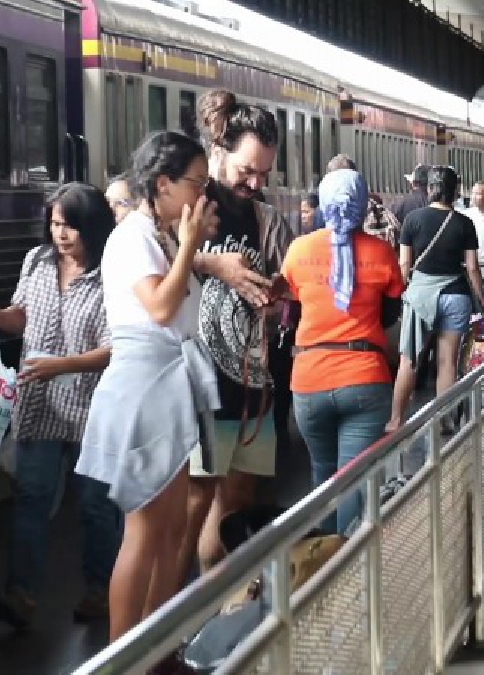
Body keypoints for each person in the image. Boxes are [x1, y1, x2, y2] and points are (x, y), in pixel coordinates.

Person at [75, 131, 219, 645]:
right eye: (196, 184)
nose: (203, 197)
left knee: (171, 529)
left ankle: (156, 644)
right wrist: (193, 248)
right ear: (163, 184)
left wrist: (190, 249)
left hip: (164, 387)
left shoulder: (158, 236)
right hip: (142, 386)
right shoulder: (132, 236)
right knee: (144, 530)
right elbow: (160, 306)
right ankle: (123, 652)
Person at [0, 183, 122, 629]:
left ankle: (101, 590)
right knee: (30, 497)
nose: (61, 234)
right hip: (37, 404)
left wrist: (63, 365)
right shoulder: (36, 262)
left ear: (92, 227)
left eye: (71, 225)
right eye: (56, 223)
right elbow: (23, 314)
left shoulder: (111, 273)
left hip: (92, 407)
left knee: (96, 505)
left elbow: (117, 347)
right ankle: (21, 594)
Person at [181, 89, 295, 578]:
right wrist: (213, 264)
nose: (256, 182)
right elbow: (155, 260)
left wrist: (277, 299)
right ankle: (185, 612)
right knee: (199, 498)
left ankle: (222, 607)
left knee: (237, 500)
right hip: (198, 381)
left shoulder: (260, 215)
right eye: (248, 170)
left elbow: (281, 282)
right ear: (219, 150)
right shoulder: (190, 203)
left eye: (265, 173)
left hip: (249, 378)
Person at [282, 169, 404, 533]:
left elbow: (292, 309)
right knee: (353, 477)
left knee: (322, 473)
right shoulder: (381, 251)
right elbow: (390, 312)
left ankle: (322, 561)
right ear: (363, 203)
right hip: (365, 376)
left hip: (309, 377)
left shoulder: (299, 250)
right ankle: (350, 564)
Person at [387, 166, 484, 432]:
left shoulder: (412, 220)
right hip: (455, 295)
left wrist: (405, 294)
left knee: (410, 359)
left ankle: (396, 420)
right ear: (456, 191)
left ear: (430, 189)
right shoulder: (464, 223)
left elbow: (404, 265)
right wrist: (482, 298)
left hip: (421, 296)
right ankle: (445, 420)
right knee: (447, 362)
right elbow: (472, 268)